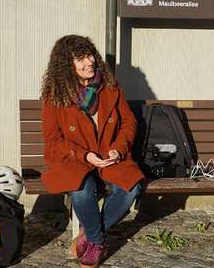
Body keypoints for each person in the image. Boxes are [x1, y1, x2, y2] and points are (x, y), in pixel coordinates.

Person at [40, 35, 144, 268]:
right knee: (81, 190)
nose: (89, 62)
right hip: (75, 158)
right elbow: (53, 139)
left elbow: (129, 122)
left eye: (90, 56)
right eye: (80, 59)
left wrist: (118, 149)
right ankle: (97, 242)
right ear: (67, 65)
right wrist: (85, 155)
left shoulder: (111, 87)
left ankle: (89, 234)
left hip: (109, 156)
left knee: (130, 188)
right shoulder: (54, 95)